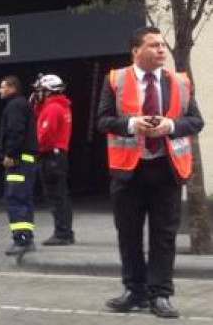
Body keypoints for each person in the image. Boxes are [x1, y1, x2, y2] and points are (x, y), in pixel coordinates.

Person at [97, 27, 203, 319]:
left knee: (164, 236)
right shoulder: (115, 79)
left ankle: (161, 295)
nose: (161, 50)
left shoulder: (179, 82)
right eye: (154, 45)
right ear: (135, 51)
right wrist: (132, 125)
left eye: (162, 45)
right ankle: (135, 291)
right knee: (128, 235)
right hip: (128, 171)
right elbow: (103, 121)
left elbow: (196, 121)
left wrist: (170, 126)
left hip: (165, 170)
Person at [32, 73, 75, 246]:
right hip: (58, 155)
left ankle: (62, 233)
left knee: (56, 196)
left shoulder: (52, 108)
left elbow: (45, 135)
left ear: (48, 91)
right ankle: (65, 231)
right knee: (61, 195)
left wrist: (34, 149)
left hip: (51, 156)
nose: (37, 93)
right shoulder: (61, 106)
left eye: (40, 90)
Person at [0, 76, 38, 256]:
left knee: (15, 199)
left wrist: (10, 154)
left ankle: (21, 240)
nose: (0, 90)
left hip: (18, 160)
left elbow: (15, 130)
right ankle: (27, 238)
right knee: (25, 199)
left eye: (2, 87)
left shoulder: (14, 106)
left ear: (12, 87)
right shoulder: (23, 105)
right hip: (26, 160)